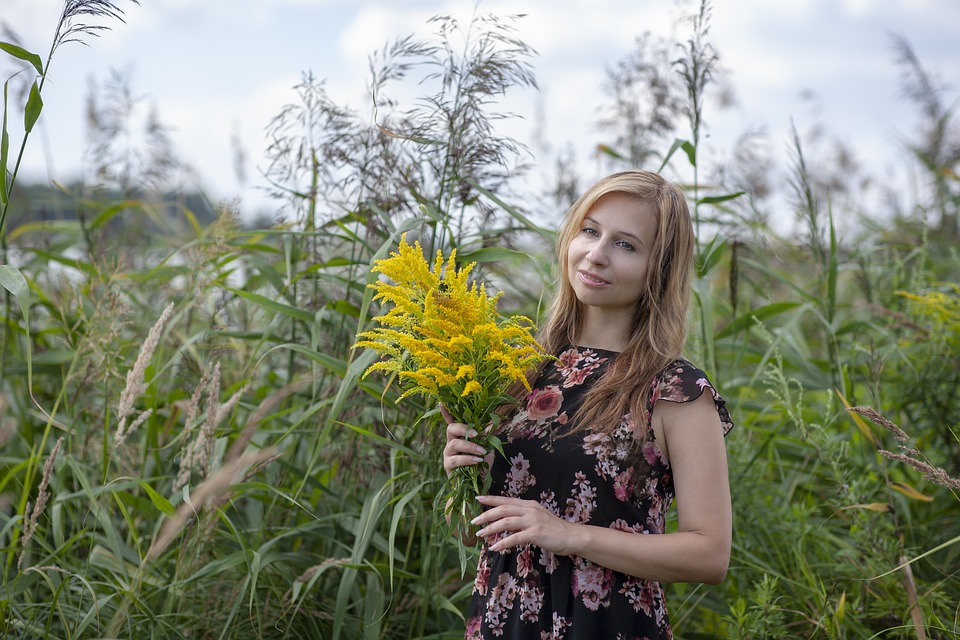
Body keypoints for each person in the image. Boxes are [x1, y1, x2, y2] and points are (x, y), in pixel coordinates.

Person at [442, 169, 733, 639]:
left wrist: (571, 534)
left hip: (604, 624)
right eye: (590, 232)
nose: (596, 256)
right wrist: (460, 472)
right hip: (504, 619)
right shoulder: (516, 372)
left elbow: (710, 555)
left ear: (656, 270)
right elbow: (486, 535)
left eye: (626, 245)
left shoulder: (675, 389)